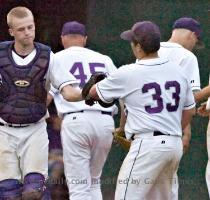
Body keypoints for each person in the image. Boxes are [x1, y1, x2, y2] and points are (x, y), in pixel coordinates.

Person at [86, 21, 195, 199]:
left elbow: (91, 93)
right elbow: (190, 111)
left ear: (138, 47)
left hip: (147, 145)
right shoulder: (178, 71)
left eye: (132, 42)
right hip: (174, 144)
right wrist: (170, 131)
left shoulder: (129, 72)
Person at [0, 7, 82, 200]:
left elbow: (68, 92)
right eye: (21, 29)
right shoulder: (1, 55)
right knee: (9, 192)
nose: (27, 32)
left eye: (31, 27)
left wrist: (89, 93)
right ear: (11, 31)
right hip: (4, 129)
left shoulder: (47, 56)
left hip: (34, 128)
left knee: (34, 190)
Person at [47, 21, 118, 200]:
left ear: (62, 39)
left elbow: (46, 98)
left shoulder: (56, 58)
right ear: (84, 39)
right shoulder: (104, 59)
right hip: (105, 121)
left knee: (79, 187)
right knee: (94, 182)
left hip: (76, 120)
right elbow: (123, 95)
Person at [158, 17, 202, 199]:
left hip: (143, 129)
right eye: (196, 41)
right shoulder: (187, 56)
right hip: (169, 130)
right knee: (167, 188)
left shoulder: (151, 49)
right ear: (192, 35)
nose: (194, 45)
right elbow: (189, 100)